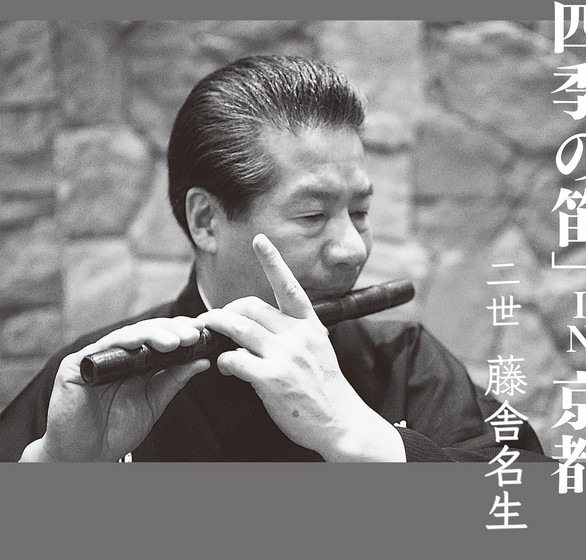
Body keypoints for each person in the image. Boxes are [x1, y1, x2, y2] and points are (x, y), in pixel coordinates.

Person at [0, 55, 548, 462]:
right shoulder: (94, 381)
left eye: (359, 212)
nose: (354, 249)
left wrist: (364, 440)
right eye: (312, 216)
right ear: (206, 221)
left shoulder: (405, 361)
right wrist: (56, 471)